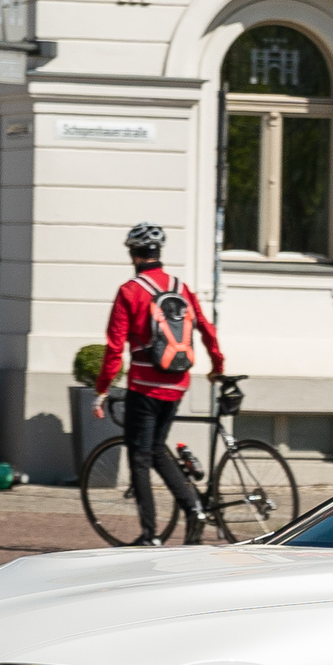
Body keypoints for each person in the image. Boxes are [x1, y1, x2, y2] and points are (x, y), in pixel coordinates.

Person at [96, 222, 226, 546]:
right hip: (178, 383)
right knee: (156, 449)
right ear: (158, 253)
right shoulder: (182, 288)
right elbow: (208, 330)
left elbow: (115, 346)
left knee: (139, 456)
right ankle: (193, 507)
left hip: (145, 384)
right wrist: (217, 366)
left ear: (133, 254)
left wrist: (102, 389)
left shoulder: (130, 291)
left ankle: (150, 535)